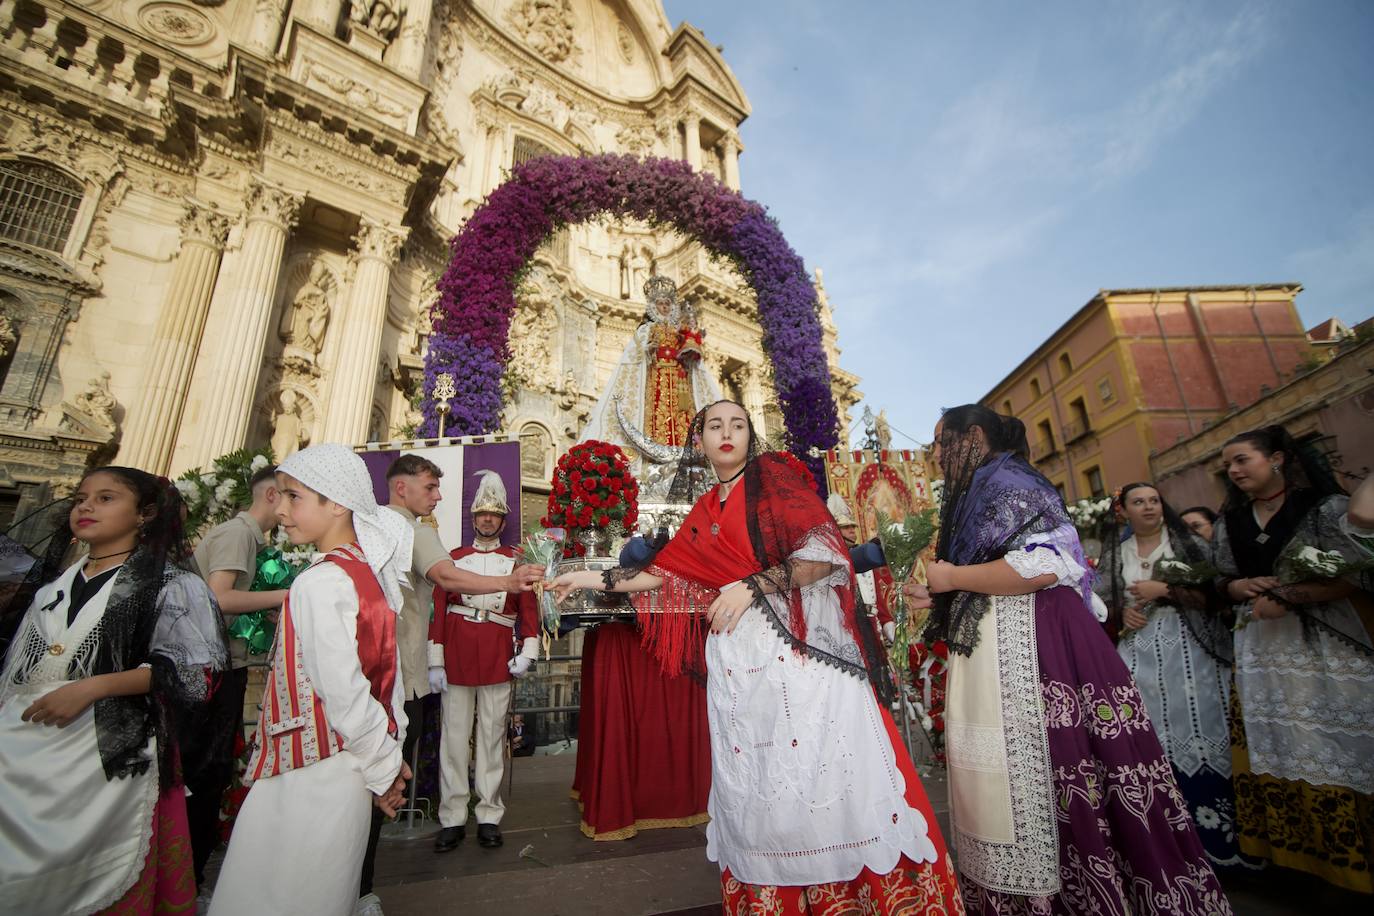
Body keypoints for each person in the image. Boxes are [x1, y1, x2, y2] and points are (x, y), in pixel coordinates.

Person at [552, 400, 964, 911]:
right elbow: (665, 575)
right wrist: (585, 577)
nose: (726, 433)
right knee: (764, 789)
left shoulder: (773, 482)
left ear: (751, 437)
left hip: (803, 659)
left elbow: (823, 552)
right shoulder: (706, 509)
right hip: (741, 668)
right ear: (698, 441)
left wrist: (751, 586)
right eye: (714, 426)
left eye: (738, 425)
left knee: (824, 778)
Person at [914, 404, 1229, 914]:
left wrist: (950, 579)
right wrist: (939, 589)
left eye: (941, 442)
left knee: (1050, 771)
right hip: (1002, 639)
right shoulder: (982, 488)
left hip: (1038, 641)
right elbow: (988, 568)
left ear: (973, 436)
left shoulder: (1006, 480)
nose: (936, 455)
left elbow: (1045, 563)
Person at [0, 467, 227, 914]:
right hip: (20, 751)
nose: (86, 507)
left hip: (106, 753)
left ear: (144, 514)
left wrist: (95, 686)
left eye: (106, 499)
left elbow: (194, 668)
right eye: (82, 497)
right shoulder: (53, 588)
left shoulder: (171, 584)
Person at [209, 445, 412, 916]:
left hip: (311, 769)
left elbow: (345, 690)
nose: (279, 509)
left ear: (337, 502)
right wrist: (388, 755)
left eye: (293, 497)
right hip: (350, 764)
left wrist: (384, 770)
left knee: (282, 890)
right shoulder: (364, 572)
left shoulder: (319, 581)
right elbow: (386, 679)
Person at [1212, 425, 1374, 893]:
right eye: (1228, 465)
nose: (1234, 470)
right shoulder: (1233, 521)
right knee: (1278, 745)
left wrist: (1292, 594)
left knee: (1337, 743)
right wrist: (1236, 587)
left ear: (1277, 459)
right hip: (1263, 649)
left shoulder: (1325, 508)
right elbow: (1221, 576)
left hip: (1329, 643)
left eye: (1242, 460)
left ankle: (1356, 866)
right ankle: (1305, 866)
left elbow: (1357, 569)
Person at [1097, 482, 1249, 868]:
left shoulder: (1187, 545)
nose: (1149, 507)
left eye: (1154, 501)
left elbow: (1217, 595)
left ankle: (1220, 842)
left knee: (1201, 725)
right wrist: (1121, 613)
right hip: (1138, 652)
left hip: (1188, 648)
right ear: (1123, 511)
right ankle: (1165, 843)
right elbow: (1104, 601)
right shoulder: (1118, 552)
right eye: (1139, 502)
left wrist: (1165, 589)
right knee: (1147, 733)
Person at [189, 463, 288, 889]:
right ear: (271, 496)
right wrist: (290, 594)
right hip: (210, 667)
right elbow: (220, 598)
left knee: (215, 766)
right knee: (205, 770)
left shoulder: (250, 537)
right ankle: (188, 877)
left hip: (225, 664)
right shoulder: (236, 534)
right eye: (292, 496)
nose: (292, 509)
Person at [428, 470, 539, 851]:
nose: (488, 520)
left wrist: (528, 650)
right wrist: (435, 659)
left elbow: (529, 608)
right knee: (454, 740)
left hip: (496, 654)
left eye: (494, 515)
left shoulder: (517, 561)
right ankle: (453, 817)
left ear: (503, 520)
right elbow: (438, 609)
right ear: (473, 519)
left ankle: (489, 814)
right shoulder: (453, 559)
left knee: (492, 739)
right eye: (482, 515)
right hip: (457, 652)